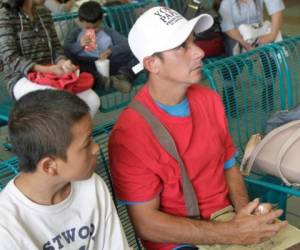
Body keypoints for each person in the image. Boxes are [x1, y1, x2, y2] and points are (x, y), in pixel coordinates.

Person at [108, 6, 300, 250]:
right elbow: (146, 224)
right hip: (183, 241)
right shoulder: (131, 133)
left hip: (228, 220)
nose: (199, 51)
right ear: (152, 63)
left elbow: (229, 165)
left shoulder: (207, 99)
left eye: (193, 41)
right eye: (181, 46)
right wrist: (232, 232)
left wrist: (245, 213)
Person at [0, 89, 130, 249]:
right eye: (86, 144)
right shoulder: (6, 228)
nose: (96, 148)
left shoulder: (92, 185)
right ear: (49, 166)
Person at [0, 0, 100, 117]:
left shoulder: (44, 13)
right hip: (19, 78)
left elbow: (56, 48)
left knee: (92, 100)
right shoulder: (5, 15)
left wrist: (63, 62)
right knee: (57, 101)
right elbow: (9, 56)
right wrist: (48, 69)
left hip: (51, 75)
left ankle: (73, 134)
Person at [217, 0, 285, 116]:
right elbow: (227, 26)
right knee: (232, 58)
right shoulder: (227, 2)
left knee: (270, 57)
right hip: (235, 34)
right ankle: (229, 95)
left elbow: (276, 7)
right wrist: (246, 44)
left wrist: (271, 35)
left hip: (257, 31)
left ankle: (268, 90)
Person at [64, 1, 138, 93]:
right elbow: (66, 49)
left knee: (138, 55)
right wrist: (79, 45)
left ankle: (123, 76)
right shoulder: (75, 33)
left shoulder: (107, 31)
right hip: (87, 65)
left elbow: (126, 44)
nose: (93, 31)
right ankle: (108, 81)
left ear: (101, 20)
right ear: (80, 21)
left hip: (107, 63)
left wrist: (110, 51)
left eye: (96, 27)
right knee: (75, 65)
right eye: (88, 28)